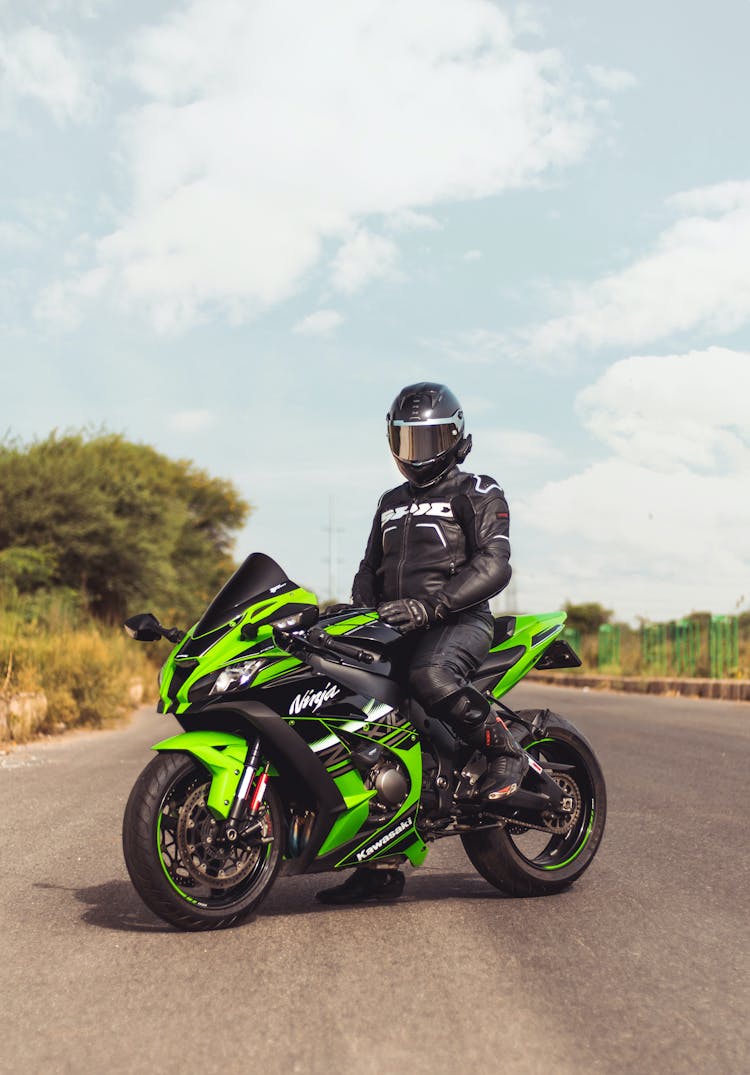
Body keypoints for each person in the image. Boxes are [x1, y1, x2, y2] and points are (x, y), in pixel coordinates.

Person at [316, 382, 529, 905]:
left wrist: (433, 607)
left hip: (458, 620)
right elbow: (370, 570)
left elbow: (494, 564)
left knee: (429, 676)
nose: (419, 453)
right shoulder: (389, 503)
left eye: (430, 439)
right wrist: (361, 611)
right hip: (396, 624)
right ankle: (380, 864)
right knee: (355, 714)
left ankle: (505, 749)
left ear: (455, 438)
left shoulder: (477, 490)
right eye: (408, 441)